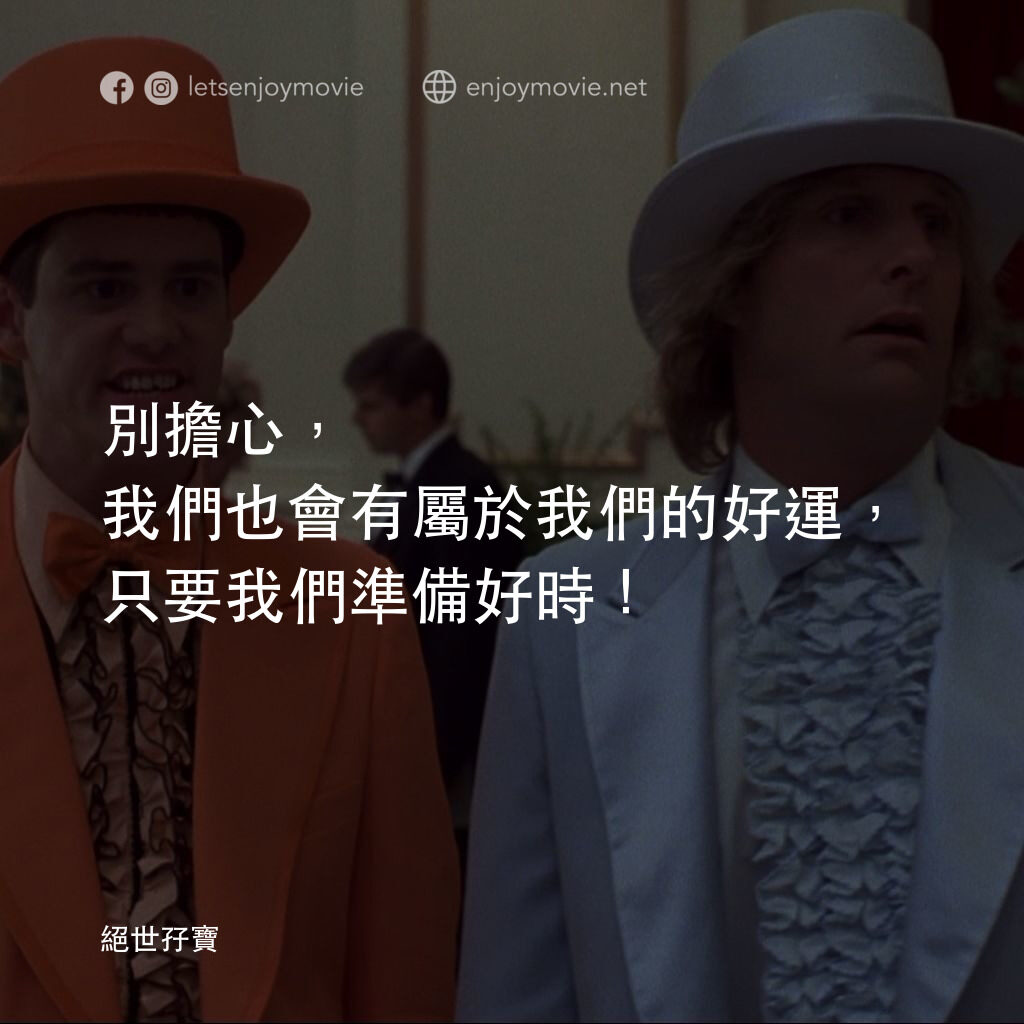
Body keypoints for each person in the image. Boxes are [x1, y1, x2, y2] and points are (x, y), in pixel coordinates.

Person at [457, 10, 1024, 1023]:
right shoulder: (567, 614)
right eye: (849, 215)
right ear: (732, 283)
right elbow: (517, 992)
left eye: (937, 223)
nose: (913, 256)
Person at [0, 37, 458, 1022]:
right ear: (9, 320)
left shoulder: (352, 614)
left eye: (191, 286)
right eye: (104, 286)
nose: (157, 329)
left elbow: (406, 981)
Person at [344, 328, 522, 867]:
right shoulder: (425, 483)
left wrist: (433, 762)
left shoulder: (463, 489)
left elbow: (460, 639)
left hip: (443, 743)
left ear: (420, 405)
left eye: (372, 406)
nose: (358, 420)